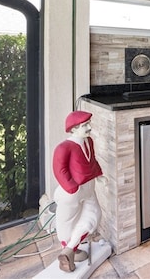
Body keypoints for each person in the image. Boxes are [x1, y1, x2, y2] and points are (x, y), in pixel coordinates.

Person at [52, 110, 103, 272]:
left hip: (89, 186)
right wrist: (71, 187)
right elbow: (59, 169)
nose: (88, 128)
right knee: (66, 220)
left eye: (88, 124)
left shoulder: (89, 142)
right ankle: (70, 249)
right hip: (73, 190)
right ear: (73, 129)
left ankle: (69, 250)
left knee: (94, 216)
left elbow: (92, 160)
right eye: (84, 125)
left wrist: (99, 175)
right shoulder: (64, 147)